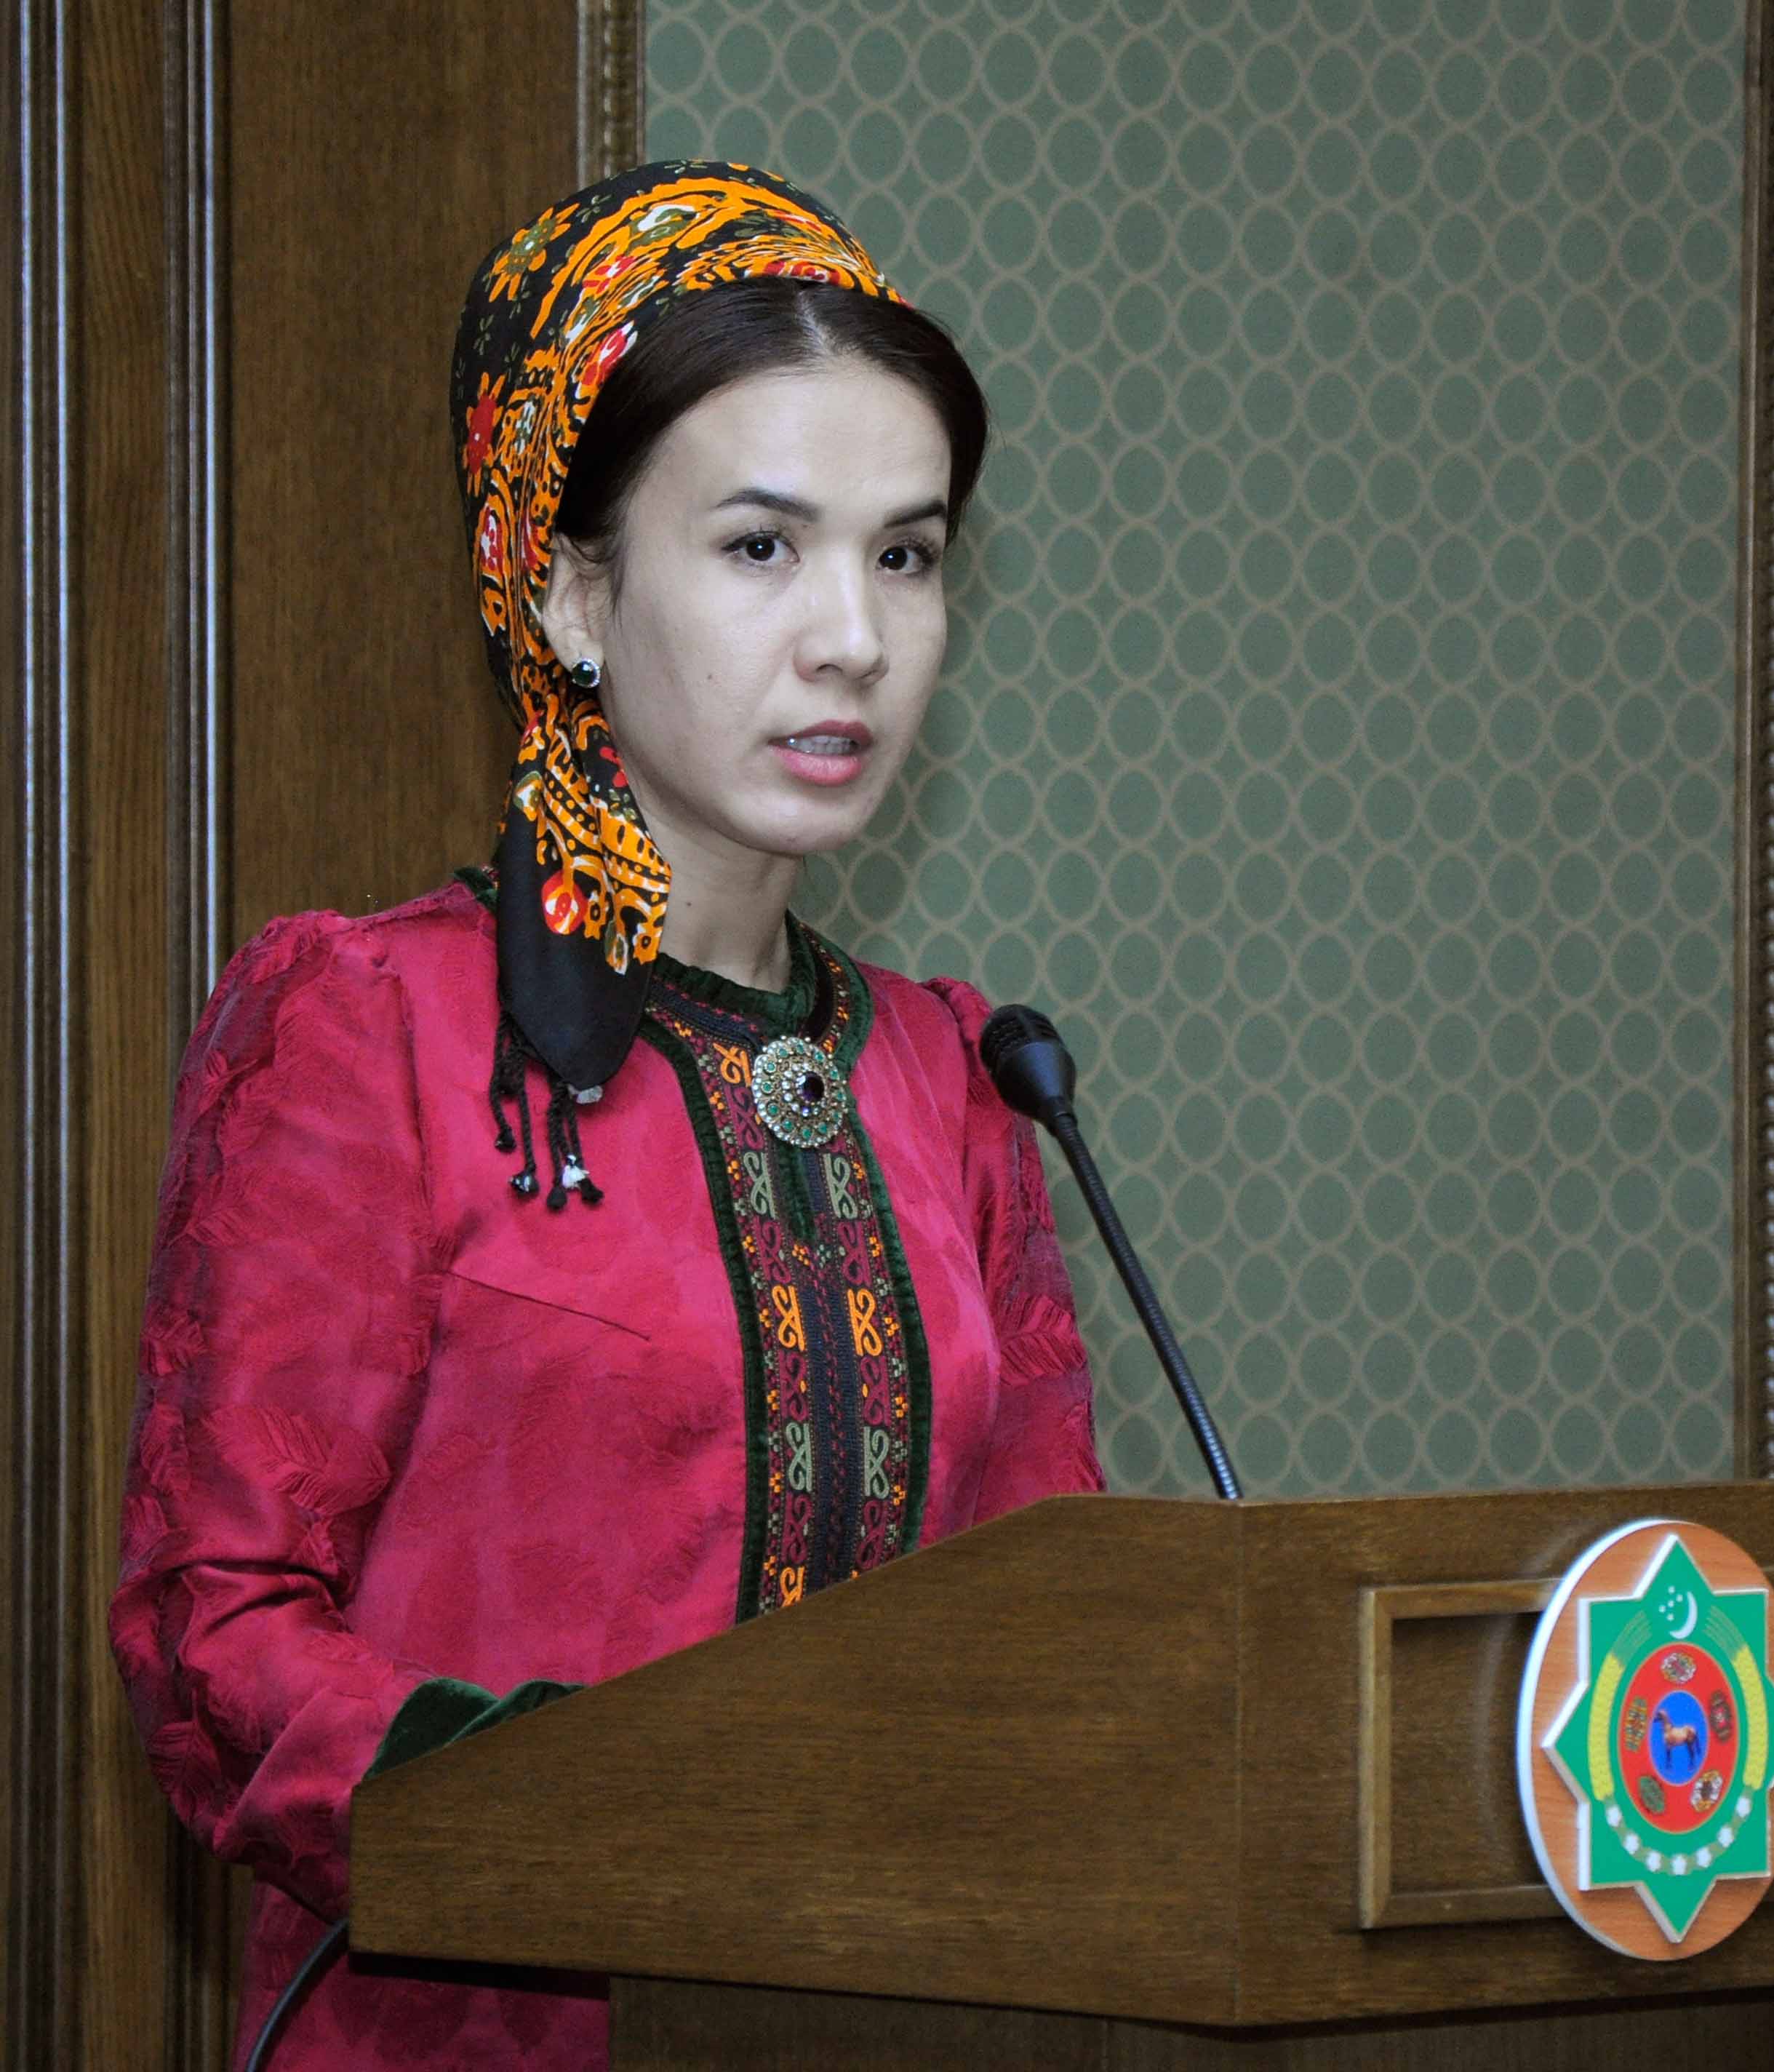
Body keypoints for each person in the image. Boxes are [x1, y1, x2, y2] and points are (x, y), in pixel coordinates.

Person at [110, 163, 1104, 2070]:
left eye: (906, 556)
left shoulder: (958, 1079)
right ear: (569, 591)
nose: (852, 637)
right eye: (761, 547)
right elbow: (216, 1632)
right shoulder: (373, 1026)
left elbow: (1049, 1632)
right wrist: (618, 1827)